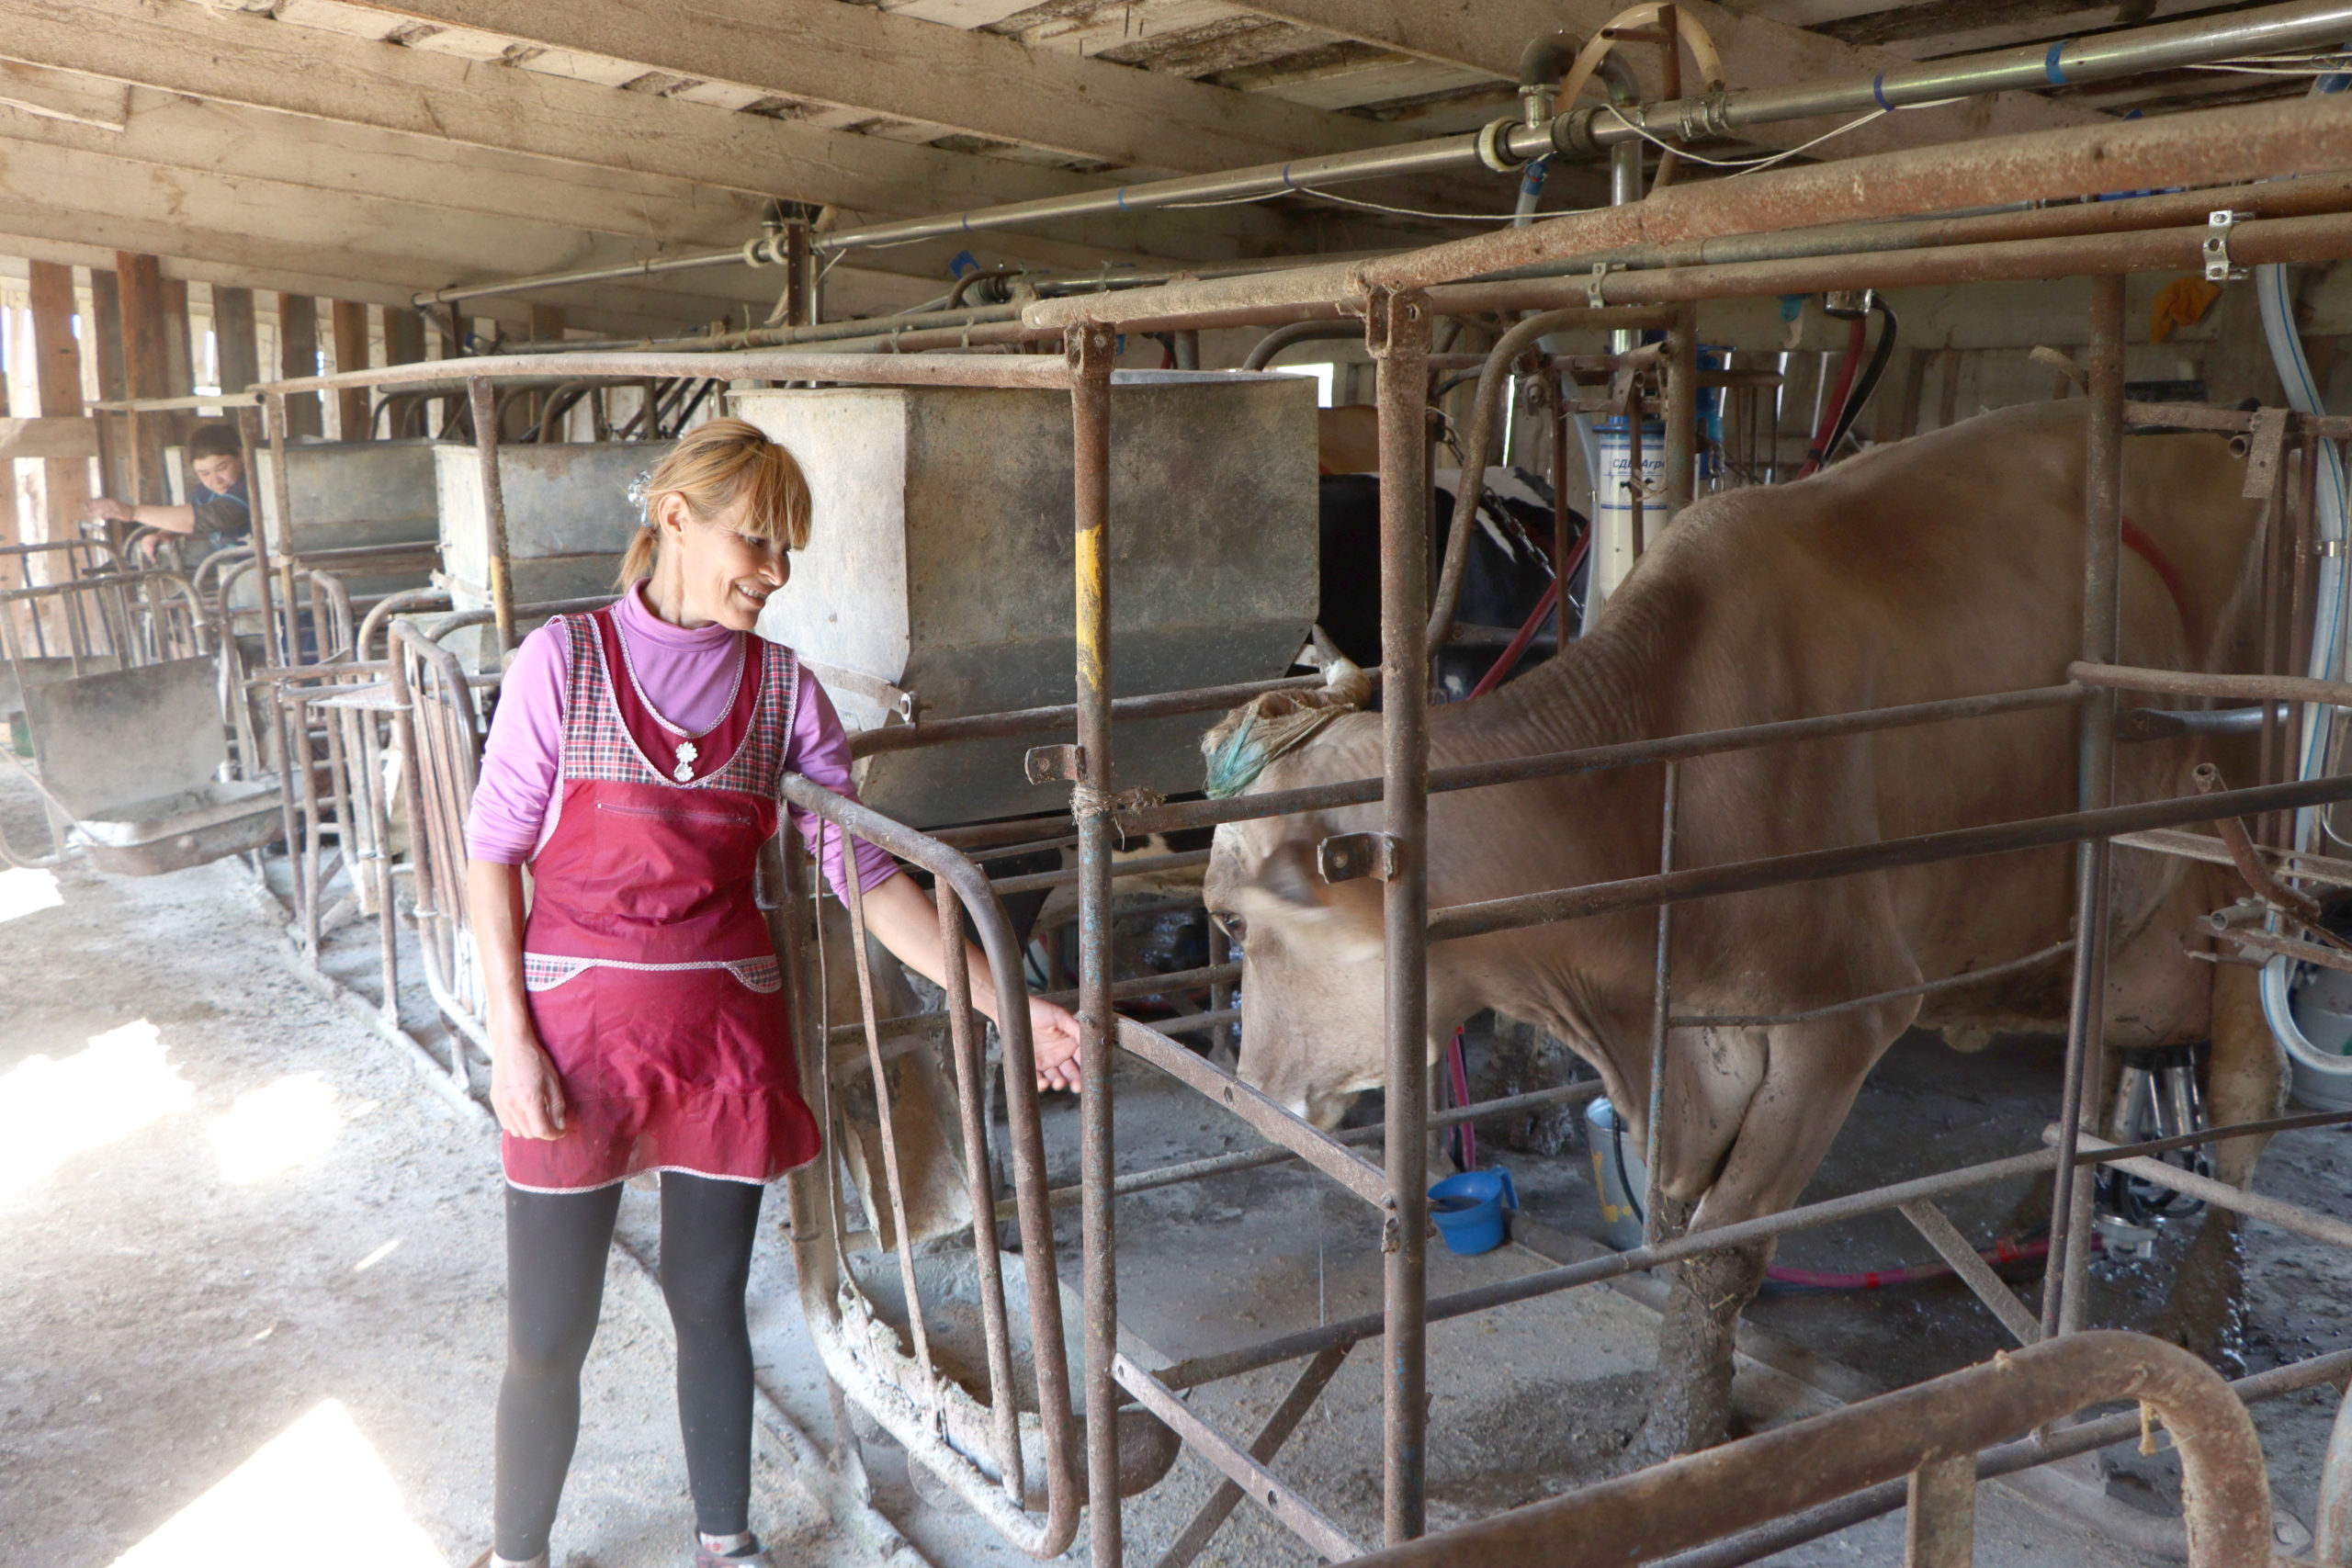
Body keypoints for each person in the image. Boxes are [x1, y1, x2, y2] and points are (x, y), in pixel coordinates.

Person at [463, 418, 1084, 1568]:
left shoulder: (781, 688)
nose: (778, 573)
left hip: (722, 1043)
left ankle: (726, 1543)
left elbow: (868, 880)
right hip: (573, 1034)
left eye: (790, 549)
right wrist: (510, 1042)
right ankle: (517, 1553)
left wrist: (1008, 1002)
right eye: (759, 541)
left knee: (710, 1305)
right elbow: (493, 854)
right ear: (675, 521)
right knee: (548, 1334)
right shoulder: (566, 661)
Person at [89, 422, 254, 561]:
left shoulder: (251, 485)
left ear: (241, 454)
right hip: (237, 571)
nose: (216, 480)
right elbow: (191, 515)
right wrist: (164, 534)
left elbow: (208, 517)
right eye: (204, 473)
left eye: (222, 468)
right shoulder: (207, 492)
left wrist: (132, 512)